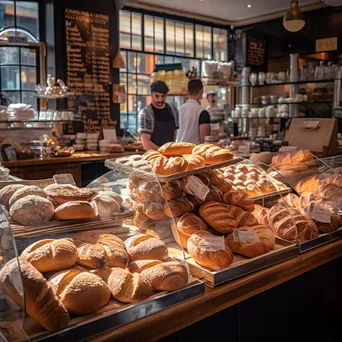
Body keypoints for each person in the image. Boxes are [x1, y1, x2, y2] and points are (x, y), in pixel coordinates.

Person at [137, 80, 179, 151]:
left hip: (169, 155)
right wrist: (163, 153)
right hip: (152, 155)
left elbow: (174, 136)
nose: (160, 99)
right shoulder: (145, 113)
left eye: (163, 96)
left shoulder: (173, 110)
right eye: (157, 96)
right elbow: (146, 143)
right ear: (151, 94)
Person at [176, 79, 211, 144]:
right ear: (201, 91)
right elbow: (204, 140)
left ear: (188, 91)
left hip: (179, 149)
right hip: (194, 151)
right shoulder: (202, 112)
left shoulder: (179, 110)